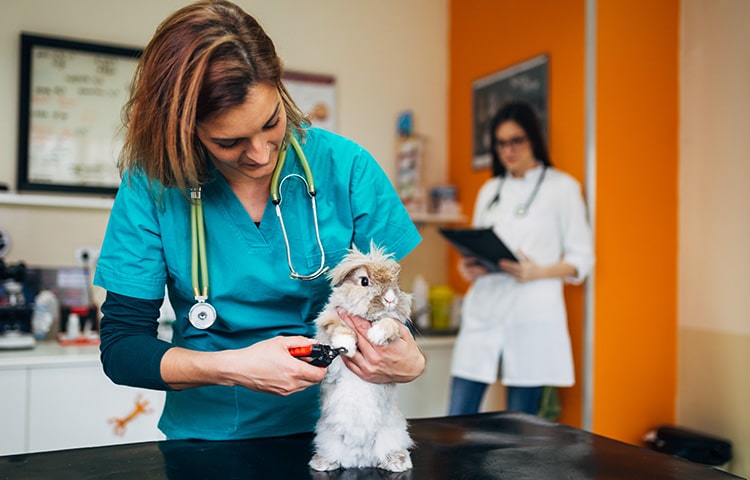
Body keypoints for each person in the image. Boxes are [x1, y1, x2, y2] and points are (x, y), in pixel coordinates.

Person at [94, 0, 424, 441]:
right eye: (229, 141)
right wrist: (233, 367)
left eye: (272, 122)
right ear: (182, 128)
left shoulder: (346, 168)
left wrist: (409, 358)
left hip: (345, 430)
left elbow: (388, 310)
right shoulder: (153, 185)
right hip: (209, 442)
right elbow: (122, 349)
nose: (261, 154)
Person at [448, 101, 593, 416]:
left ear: (534, 139)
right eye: (501, 143)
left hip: (532, 311)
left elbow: (582, 259)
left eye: (516, 140)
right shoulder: (490, 189)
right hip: (485, 309)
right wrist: (469, 265)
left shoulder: (563, 188)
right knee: (456, 419)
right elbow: (478, 243)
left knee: (521, 429)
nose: (508, 150)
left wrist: (535, 271)